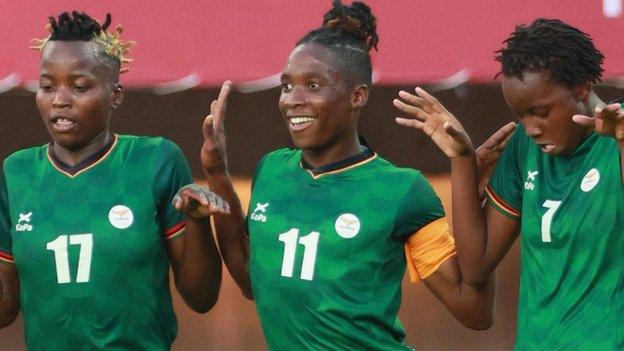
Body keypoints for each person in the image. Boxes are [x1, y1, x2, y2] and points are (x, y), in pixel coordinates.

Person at [175, 1, 515, 349]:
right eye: (287, 86)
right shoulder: (272, 170)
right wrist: (217, 172)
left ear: (357, 96)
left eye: (313, 85)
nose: (293, 99)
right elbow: (250, 280)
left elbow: (474, 311)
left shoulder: (401, 191)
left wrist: (469, 191)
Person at [0, 12, 225, 350]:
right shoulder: (16, 172)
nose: (59, 100)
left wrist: (197, 223)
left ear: (115, 94)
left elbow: (202, 297)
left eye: (78, 87)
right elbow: (4, 309)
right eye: (47, 86)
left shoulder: (155, 160)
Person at [394, 18, 623, 350]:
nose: (531, 128)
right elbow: (474, 270)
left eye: (541, 112)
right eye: (522, 115)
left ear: (582, 86)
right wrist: (461, 161)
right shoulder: (524, 148)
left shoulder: (618, 134)